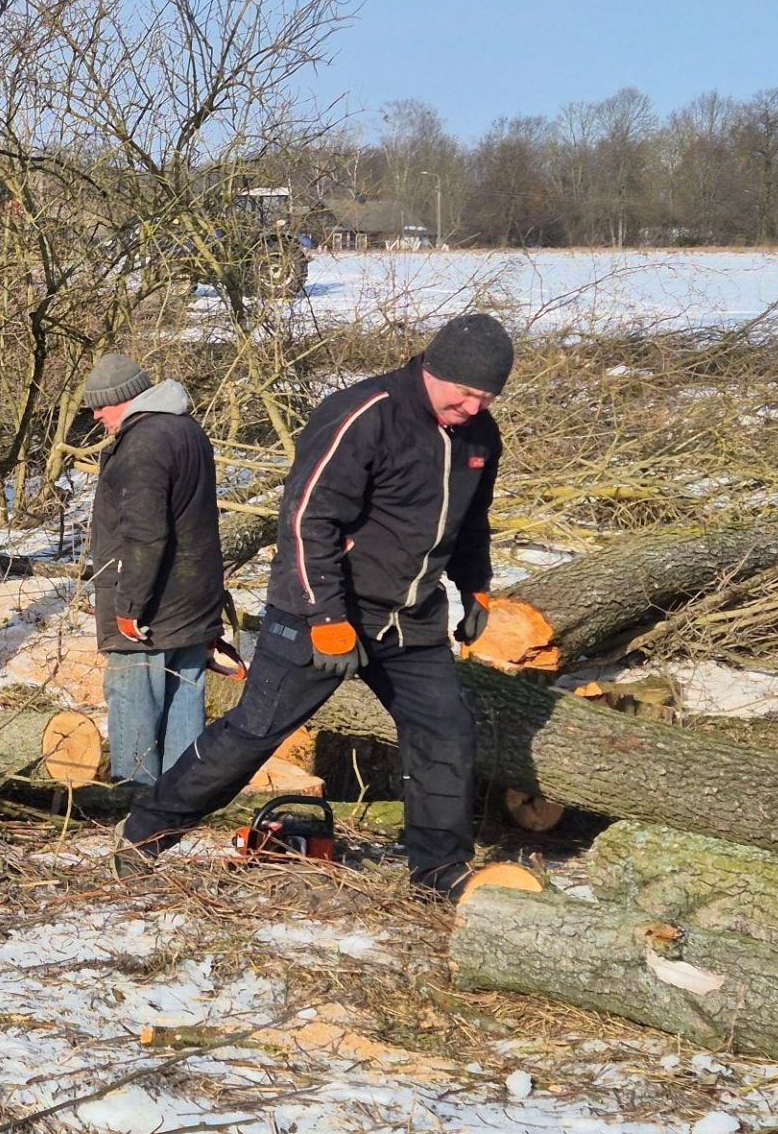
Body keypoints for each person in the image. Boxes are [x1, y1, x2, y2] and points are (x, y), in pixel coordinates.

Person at [114, 313, 515, 899]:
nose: (473, 407)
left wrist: (475, 585)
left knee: (445, 733)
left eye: (486, 397)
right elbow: (306, 520)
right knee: (255, 731)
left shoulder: (479, 436)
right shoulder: (365, 414)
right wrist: (327, 617)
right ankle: (146, 831)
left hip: (409, 617)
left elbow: (471, 520)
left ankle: (438, 871)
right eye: (465, 392)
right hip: (321, 609)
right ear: (434, 369)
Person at [82, 352, 227, 787]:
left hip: (152, 614)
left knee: (135, 707)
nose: (95, 414)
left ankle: (135, 808)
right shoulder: (187, 430)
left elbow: (145, 535)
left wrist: (128, 606)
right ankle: (182, 805)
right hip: (192, 603)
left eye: (100, 405)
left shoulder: (142, 444)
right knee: (185, 706)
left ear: (124, 398)